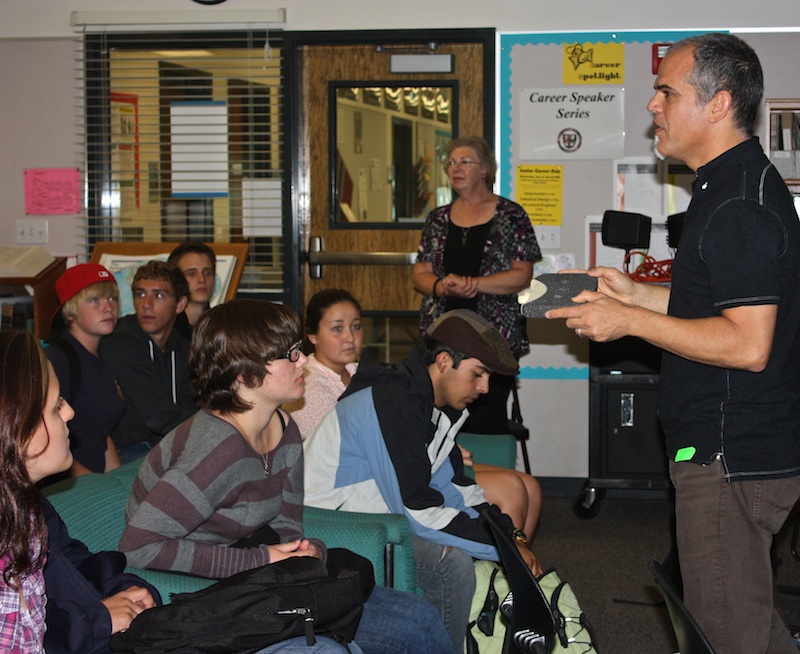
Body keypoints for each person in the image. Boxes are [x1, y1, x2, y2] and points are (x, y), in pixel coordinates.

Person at [548, 33, 800, 654]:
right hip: (729, 450)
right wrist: (633, 294)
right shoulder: (723, 185)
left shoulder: (740, 204)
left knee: (725, 637)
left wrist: (628, 323)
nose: (653, 107)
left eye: (666, 91)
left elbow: (747, 344)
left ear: (718, 105)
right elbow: (714, 308)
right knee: (753, 626)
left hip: (730, 457)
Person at [118, 299, 456, 654]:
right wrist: (264, 560)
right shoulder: (217, 451)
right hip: (201, 589)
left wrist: (297, 551)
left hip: (249, 570)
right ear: (244, 373)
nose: (304, 360)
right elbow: (138, 546)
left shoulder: (284, 428)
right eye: (290, 354)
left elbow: (285, 523)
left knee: (420, 613)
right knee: (404, 637)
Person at [303, 308, 543, 650]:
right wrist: (502, 550)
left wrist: (510, 537)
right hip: (331, 525)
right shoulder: (393, 403)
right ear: (444, 361)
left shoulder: (429, 406)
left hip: (376, 515)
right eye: (478, 374)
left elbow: (459, 490)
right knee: (451, 565)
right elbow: (419, 510)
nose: (485, 388)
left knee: (463, 552)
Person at [290, 288, 541, 538]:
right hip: (348, 503)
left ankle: (514, 565)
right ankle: (507, 567)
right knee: (512, 490)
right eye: (337, 328)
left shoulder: (364, 373)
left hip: (394, 473)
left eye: (356, 326)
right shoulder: (314, 386)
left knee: (529, 487)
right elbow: (342, 457)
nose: (349, 337)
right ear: (312, 335)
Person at [412, 135, 541, 433]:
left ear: (484, 169)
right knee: (435, 421)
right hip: (441, 337)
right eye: (451, 163)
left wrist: (474, 284)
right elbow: (420, 275)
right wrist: (442, 287)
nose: (455, 168)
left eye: (464, 162)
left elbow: (521, 275)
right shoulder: (437, 219)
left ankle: (489, 474)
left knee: (486, 419)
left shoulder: (512, 215)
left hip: (493, 338)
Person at [100, 261, 196, 464]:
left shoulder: (183, 347)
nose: (146, 304)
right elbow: (158, 416)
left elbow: (190, 402)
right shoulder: (119, 341)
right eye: (140, 294)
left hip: (164, 445)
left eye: (159, 295)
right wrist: (216, 432)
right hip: (128, 450)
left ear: (180, 304)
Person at [45, 263, 124, 477]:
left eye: (113, 299)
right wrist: (96, 488)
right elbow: (46, 442)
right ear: (70, 311)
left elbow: (101, 431)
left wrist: (117, 481)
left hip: (97, 478)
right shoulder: (58, 359)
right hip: (68, 484)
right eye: (94, 300)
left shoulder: (102, 357)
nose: (108, 307)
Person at [167, 240, 217, 338]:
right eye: (191, 273)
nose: (202, 279)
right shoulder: (165, 331)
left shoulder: (221, 328)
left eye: (207, 273)